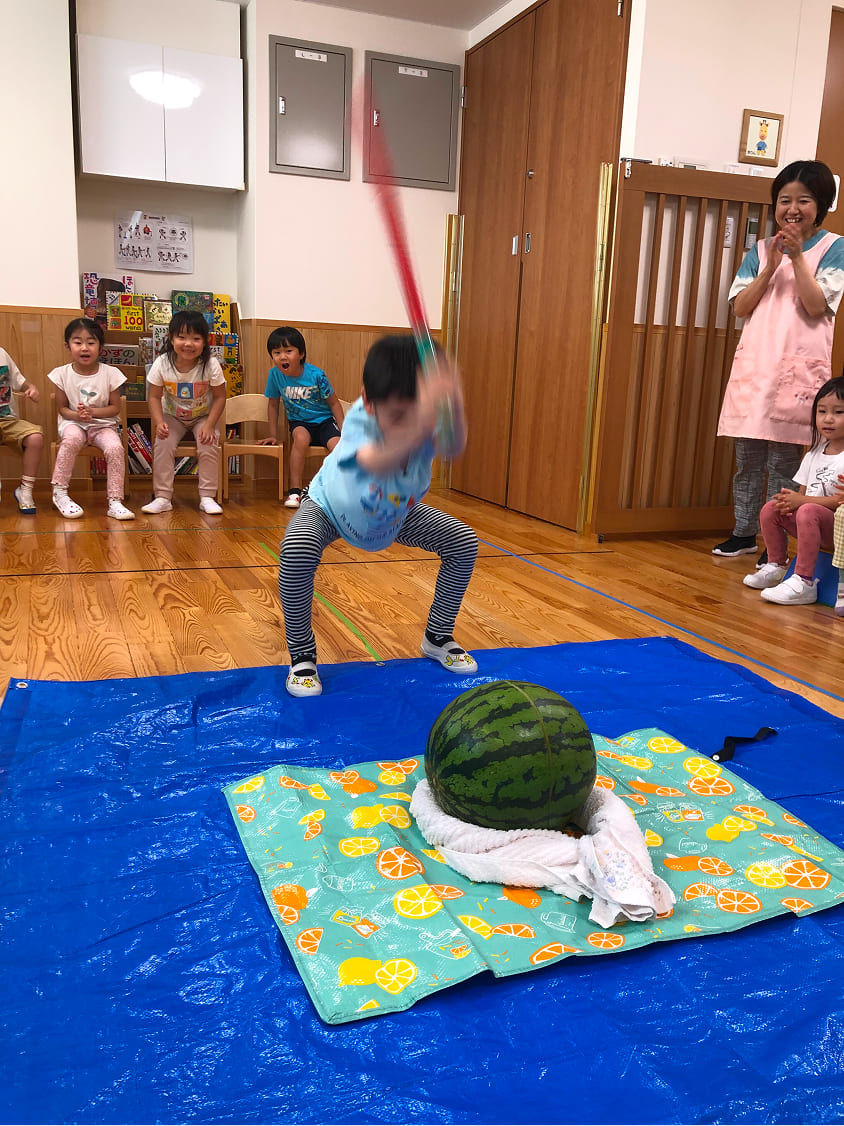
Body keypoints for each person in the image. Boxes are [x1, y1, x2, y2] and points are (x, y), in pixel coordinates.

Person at [279, 334, 478, 697]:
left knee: (462, 542)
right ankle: (302, 656)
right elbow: (375, 461)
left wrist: (455, 396)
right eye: (400, 414)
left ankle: (437, 636)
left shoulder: (429, 414)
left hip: (395, 511)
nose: (414, 421)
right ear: (368, 401)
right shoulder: (359, 421)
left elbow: (455, 442)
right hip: (332, 507)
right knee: (297, 547)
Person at [714, 160, 844, 561]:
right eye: (784, 200)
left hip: (797, 371)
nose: (793, 208)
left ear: (820, 205)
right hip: (757, 368)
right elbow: (740, 307)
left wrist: (799, 259)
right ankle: (742, 533)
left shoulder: (834, 246)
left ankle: (777, 543)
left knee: (786, 465)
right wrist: (771, 265)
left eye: (803, 200)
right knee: (747, 461)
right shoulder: (759, 250)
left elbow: (816, 304)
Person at [743, 377, 844, 605]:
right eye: (822, 411)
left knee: (808, 509)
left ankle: (804, 582)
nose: (828, 419)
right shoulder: (813, 454)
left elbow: (840, 504)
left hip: (838, 530)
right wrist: (790, 503)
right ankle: (776, 565)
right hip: (813, 523)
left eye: (838, 412)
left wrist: (802, 502)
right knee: (771, 508)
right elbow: (801, 495)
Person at [48, 318, 134, 520]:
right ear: (67, 346)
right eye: (78, 342)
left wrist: (93, 413)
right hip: (73, 423)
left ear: (100, 347)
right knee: (70, 441)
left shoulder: (111, 373)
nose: (84, 348)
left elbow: (114, 408)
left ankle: (115, 501)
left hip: (103, 426)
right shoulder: (61, 374)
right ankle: (59, 493)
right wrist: (78, 415)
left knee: (115, 448)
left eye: (91, 342)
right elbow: (62, 408)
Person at [142, 310, 226, 515]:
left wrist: (208, 424)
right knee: (163, 442)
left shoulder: (211, 364)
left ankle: (207, 496)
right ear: (171, 338)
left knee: (208, 441)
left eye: (195, 338)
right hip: (173, 416)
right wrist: (159, 421)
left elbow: (220, 397)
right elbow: (153, 396)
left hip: (202, 416)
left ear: (205, 342)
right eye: (181, 337)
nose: (188, 344)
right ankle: (163, 497)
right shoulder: (162, 363)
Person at [260, 326, 344, 508]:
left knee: (338, 447)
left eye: (288, 351)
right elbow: (273, 405)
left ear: (301, 353)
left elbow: (334, 404)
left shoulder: (316, 375)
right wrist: (273, 434)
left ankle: (337, 492)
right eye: (277, 352)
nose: (283, 356)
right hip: (299, 422)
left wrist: (344, 431)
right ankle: (294, 492)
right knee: (300, 438)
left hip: (324, 421)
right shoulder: (275, 375)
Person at [0, 344, 43, 513]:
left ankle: (25, 491)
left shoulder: (2, 353)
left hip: (8, 420)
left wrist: (32, 389)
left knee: (35, 437)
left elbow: (23, 383)